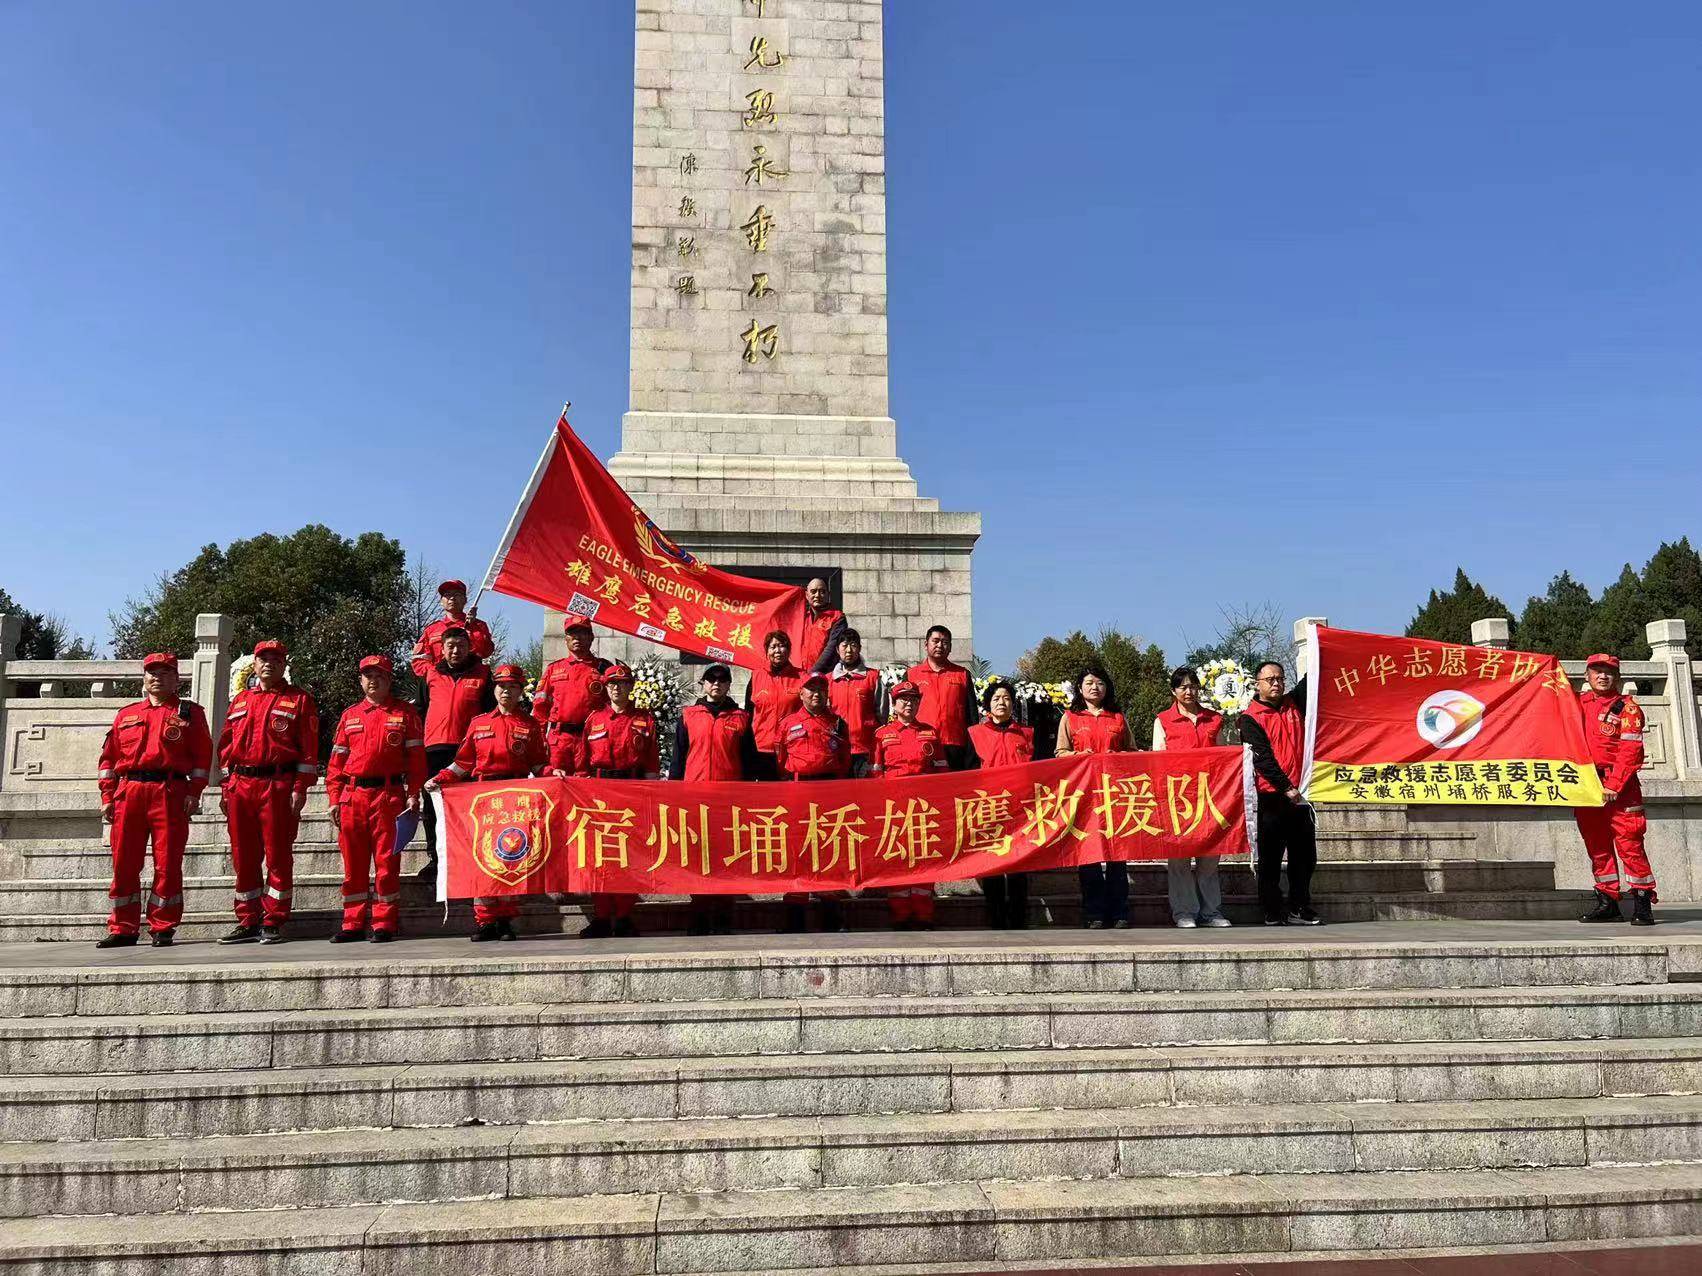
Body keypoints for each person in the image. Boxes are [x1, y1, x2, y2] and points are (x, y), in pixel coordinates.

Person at [95, 653, 213, 948]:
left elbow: (202, 757)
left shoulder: (190, 713)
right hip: (129, 793)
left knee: (168, 862)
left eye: (165, 672)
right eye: (151, 672)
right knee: (124, 863)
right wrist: (107, 795)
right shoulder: (126, 714)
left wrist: (194, 792)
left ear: (177, 679)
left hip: (169, 792)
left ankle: (163, 926)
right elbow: (109, 759)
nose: (157, 677)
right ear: (143, 679)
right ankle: (123, 927)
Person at [424, 663, 546, 942]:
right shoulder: (479, 723)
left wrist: (554, 773)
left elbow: (539, 765)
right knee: (483, 859)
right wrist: (442, 778)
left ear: (519, 692)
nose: (506, 691)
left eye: (512, 687)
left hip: (515, 797)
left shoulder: (529, 725)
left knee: (512, 854)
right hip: (483, 798)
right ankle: (485, 920)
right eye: (502, 686)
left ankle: (505, 920)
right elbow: (463, 763)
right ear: (495, 689)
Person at [216, 639, 319, 944]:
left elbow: (309, 750)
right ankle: (247, 919)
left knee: (277, 854)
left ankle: (273, 919)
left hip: (277, 786)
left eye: (275, 659)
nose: (268, 664)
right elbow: (225, 746)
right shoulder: (241, 701)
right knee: (243, 856)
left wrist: (300, 788)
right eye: (263, 659)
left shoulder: (299, 700)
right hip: (240, 786)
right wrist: (226, 785)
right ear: (255, 664)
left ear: (284, 664)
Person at [325, 656, 427, 943]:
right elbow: (336, 763)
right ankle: (352, 923)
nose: (373, 680)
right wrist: (334, 797)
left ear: (389, 679)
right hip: (353, 796)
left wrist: (413, 793)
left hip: (388, 797)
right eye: (368, 675)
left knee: (386, 864)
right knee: (353, 866)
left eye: (380, 675)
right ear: (360, 680)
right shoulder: (350, 716)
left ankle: (384, 923)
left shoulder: (406, 714)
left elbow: (417, 762)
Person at [670, 664, 761, 935]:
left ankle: (723, 917)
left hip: (728, 802)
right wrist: (674, 794)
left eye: (722, 681)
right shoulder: (688, 716)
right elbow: (678, 758)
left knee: (726, 860)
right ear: (703, 683)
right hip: (695, 798)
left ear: (729, 685)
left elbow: (749, 761)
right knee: (698, 859)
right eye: (712, 680)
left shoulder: (741, 718)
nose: (716, 685)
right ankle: (698, 915)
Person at [571, 664, 659, 938]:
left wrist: (651, 795)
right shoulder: (594, 719)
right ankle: (601, 916)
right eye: (612, 684)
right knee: (600, 856)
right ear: (606, 689)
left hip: (631, 791)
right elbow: (582, 761)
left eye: (622, 683)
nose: (617, 688)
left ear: (631, 687)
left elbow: (652, 761)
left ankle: (622, 916)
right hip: (599, 794)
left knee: (627, 855)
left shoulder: (644, 719)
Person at [1575, 653, 1657, 926]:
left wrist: (1613, 784)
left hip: (1621, 789)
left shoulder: (1628, 709)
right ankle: (1608, 901)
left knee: (1630, 845)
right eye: (1596, 671)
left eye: (1608, 671)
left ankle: (1642, 902)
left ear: (1617, 677)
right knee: (1597, 846)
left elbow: (1631, 752)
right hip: (1588, 787)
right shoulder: (1580, 703)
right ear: (1586, 676)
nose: (1602, 676)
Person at [1238, 661, 1320, 926]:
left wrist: (1321, 642)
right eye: (1270, 679)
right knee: (1271, 859)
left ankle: (1299, 906)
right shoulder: (1250, 718)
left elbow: (1314, 678)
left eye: (1280, 678)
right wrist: (1286, 788)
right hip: (1271, 797)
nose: (1276, 683)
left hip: (1301, 795)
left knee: (1305, 857)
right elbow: (1262, 760)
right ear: (1258, 684)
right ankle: (1272, 909)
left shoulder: (1294, 704)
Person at [415, 627, 496, 883]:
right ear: (442, 648)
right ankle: (436, 859)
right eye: (450, 645)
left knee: (468, 807)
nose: (455, 650)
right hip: (435, 749)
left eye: (460, 645)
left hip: (468, 752)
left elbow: (491, 713)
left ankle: (469, 856)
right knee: (432, 807)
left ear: (469, 647)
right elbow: (419, 711)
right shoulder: (430, 675)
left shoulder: (483, 675)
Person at [1154, 667, 1230, 929]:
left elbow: (1224, 757)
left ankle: (1211, 912)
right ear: (1173, 691)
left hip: (1210, 796)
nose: (1189, 691)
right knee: (1179, 859)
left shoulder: (1214, 719)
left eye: (1193, 686)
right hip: (1178, 798)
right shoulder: (1163, 720)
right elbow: (1158, 761)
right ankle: (1184, 911)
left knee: (1210, 857)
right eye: (1183, 687)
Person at [775, 673, 851, 932]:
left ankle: (831, 911)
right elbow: (779, 760)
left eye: (821, 688)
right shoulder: (787, 723)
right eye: (811, 689)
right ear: (801, 693)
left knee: (829, 847)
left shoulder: (838, 723)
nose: (816, 693)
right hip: (798, 790)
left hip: (829, 791)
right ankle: (794, 912)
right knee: (797, 849)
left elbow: (845, 760)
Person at [870, 680, 950, 929]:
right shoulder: (882, 735)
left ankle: (923, 913)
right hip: (894, 808)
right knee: (897, 859)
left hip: (924, 808)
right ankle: (901, 913)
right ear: (894, 704)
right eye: (904, 699)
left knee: (924, 859)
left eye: (914, 699)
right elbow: (875, 773)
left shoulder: (930, 733)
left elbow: (942, 771)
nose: (909, 703)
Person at [1059, 665, 1132, 928]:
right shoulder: (1070, 717)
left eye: (1099, 682)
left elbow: (1132, 753)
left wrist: (1118, 758)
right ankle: (1094, 913)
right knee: (1088, 854)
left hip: (1115, 795)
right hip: (1085, 795)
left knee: (1117, 854)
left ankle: (1120, 911)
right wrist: (1078, 757)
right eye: (1089, 682)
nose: (1094, 687)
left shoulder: (1118, 718)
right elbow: (1060, 753)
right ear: (1080, 688)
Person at [967, 678, 1033, 929]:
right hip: (988, 806)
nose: (1001, 703)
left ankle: (1018, 916)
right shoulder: (975, 734)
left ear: (1013, 704)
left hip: (1019, 807)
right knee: (992, 863)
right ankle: (996, 915)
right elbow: (969, 770)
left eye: (1006, 698)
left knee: (1019, 862)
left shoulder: (1026, 734)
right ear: (987, 706)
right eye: (996, 699)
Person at [533, 614, 611, 780]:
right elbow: (540, 709)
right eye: (572, 634)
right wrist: (540, 743)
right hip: (559, 742)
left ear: (591, 637)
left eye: (582, 633)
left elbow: (613, 707)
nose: (577, 638)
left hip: (591, 739)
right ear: (566, 639)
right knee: (556, 788)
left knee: (589, 790)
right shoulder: (554, 669)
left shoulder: (603, 668)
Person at [907, 625, 980, 770]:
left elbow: (972, 716)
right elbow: (904, 711)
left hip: (954, 745)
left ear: (950, 647)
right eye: (936, 641)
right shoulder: (912, 675)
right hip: (922, 743)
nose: (940, 645)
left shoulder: (962, 674)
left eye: (945, 642)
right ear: (926, 644)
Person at [745, 630, 803, 780]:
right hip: (761, 748)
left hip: (791, 748)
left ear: (789, 650)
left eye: (782, 646)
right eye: (773, 647)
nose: (778, 650)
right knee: (763, 799)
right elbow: (748, 713)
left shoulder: (801, 677)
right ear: (767, 651)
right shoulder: (756, 676)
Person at [828, 629, 886, 778]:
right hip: (837, 751)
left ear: (859, 649)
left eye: (853, 645)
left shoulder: (873, 677)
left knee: (865, 795)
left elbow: (883, 716)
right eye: (844, 645)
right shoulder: (829, 680)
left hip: (866, 750)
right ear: (837, 649)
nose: (849, 650)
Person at [410, 579, 494, 675]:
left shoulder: (478, 626)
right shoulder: (431, 630)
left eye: (457, 594)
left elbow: (486, 652)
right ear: (441, 601)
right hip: (440, 684)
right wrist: (435, 674)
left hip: (471, 681)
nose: (452, 598)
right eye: (447, 595)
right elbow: (419, 660)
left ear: (465, 600)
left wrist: (472, 627)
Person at [798, 576, 850, 674]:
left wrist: (813, 673)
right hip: (802, 676)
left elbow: (831, 649)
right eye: (813, 591)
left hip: (824, 677)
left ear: (828, 595)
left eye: (822, 591)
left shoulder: (837, 617)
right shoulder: (803, 618)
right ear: (806, 595)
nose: (817, 595)